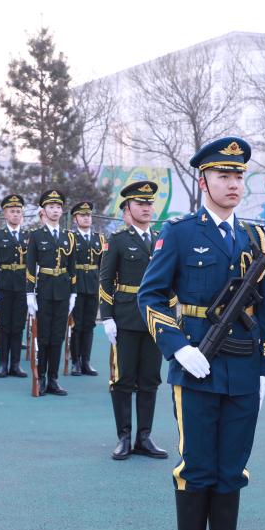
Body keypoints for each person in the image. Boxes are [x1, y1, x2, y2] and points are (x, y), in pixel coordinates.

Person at [138, 137, 265, 530]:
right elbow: (151, 296)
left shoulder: (255, 237)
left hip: (244, 368)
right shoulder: (179, 233)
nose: (233, 184)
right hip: (197, 366)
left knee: (232, 470)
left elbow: (263, 311)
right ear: (203, 182)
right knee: (197, 469)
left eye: (238, 176)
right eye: (223, 175)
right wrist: (178, 347)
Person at [99, 181, 168, 461]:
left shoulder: (162, 239)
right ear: (128, 207)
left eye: (149, 203)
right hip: (126, 318)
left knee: (150, 379)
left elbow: (170, 279)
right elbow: (105, 280)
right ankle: (124, 437)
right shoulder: (117, 240)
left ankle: (144, 437)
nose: (146, 208)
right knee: (123, 379)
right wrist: (107, 317)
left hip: (155, 320)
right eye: (140, 203)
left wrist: (170, 315)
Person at [25, 189, 76, 396]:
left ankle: (53, 379)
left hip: (63, 290)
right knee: (44, 336)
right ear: (44, 211)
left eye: (58, 207)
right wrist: (30, 294)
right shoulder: (36, 236)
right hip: (44, 290)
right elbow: (30, 266)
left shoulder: (68, 237)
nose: (55, 210)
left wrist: (73, 293)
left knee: (57, 336)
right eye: (51, 207)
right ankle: (41, 377)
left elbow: (72, 267)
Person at [0, 194, 29, 378]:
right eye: (12, 211)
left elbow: (32, 263)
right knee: (4, 325)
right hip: (4, 284)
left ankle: (16, 364)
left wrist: (32, 287)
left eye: (18, 211)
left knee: (18, 325)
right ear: (5, 214)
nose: (16, 214)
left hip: (22, 285)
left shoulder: (28, 236)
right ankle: (3, 364)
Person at [69, 200, 103, 376]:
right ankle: (75, 361)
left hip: (93, 285)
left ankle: (86, 361)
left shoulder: (99, 239)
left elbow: (103, 264)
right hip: (77, 285)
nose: (86, 218)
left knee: (89, 324)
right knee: (77, 324)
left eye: (88, 215)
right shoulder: (71, 238)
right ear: (75, 219)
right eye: (82, 215)